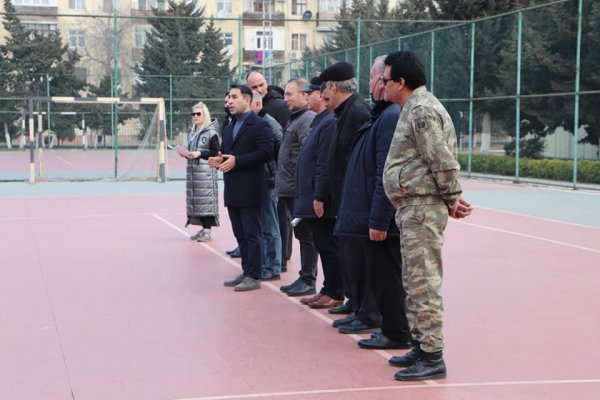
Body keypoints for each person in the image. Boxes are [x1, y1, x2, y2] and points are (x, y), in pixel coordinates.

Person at [382, 51, 473, 381]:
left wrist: (452, 196)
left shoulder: (420, 110)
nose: (382, 84)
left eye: (386, 80)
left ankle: (432, 354)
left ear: (400, 83)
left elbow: (441, 159)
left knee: (423, 282)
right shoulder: (413, 108)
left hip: (422, 208)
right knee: (413, 281)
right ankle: (421, 346)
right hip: (412, 207)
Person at [334, 56, 411, 348]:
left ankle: (396, 333)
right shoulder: (381, 115)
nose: (368, 83)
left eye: (372, 77)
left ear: (383, 81)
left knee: (388, 277)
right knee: (380, 276)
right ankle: (391, 330)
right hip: (367, 213)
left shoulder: (390, 116)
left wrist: (379, 218)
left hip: (379, 218)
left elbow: (385, 173)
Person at [319, 62, 375, 329]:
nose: (321, 96)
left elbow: (362, 160)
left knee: (360, 257)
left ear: (333, 87)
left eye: (323, 89)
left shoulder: (358, 112)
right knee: (349, 254)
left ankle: (366, 311)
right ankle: (355, 303)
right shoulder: (343, 113)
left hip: (356, 199)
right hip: (344, 198)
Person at [208, 84, 274, 292]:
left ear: (247, 100)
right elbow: (227, 152)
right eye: (229, 98)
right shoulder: (229, 126)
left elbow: (266, 153)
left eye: (235, 97)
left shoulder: (259, 125)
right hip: (233, 188)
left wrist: (238, 161)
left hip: (251, 189)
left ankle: (255, 275)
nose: (230, 102)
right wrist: (218, 159)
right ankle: (246, 270)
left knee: (253, 234)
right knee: (240, 234)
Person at [291, 77, 344, 309]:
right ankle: (329, 288)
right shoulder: (319, 121)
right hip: (311, 196)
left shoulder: (329, 122)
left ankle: (335, 291)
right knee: (322, 245)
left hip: (321, 200)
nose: (307, 96)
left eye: (310, 92)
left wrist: (319, 195)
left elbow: (324, 163)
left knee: (329, 246)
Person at [274, 78, 318, 297]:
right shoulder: (295, 119)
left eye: (289, 94)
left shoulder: (307, 119)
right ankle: (304, 277)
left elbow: (306, 158)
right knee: (301, 234)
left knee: (307, 235)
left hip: (298, 191)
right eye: (285, 95)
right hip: (289, 189)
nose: (285, 99)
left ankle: (309, 279)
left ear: (304, 95)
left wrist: (303, 190)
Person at [246, 71, 293, 271]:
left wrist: (276, 171)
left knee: (278, 220)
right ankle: (270, 259)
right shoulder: (259, 115)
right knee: (267, 221)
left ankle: (278, 261)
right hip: (264, 178)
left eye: (261, 84)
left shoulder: (277, 110)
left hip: (275, 178)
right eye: (254, 87)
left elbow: (280, 146)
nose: (259, 89)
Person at [250, 90, 284, 281]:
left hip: (270, 183)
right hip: (260, 181)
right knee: (263, 225)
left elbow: (280, 153)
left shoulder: (269, 125)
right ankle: (265, 264)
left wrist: (274, 176)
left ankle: (273, 267)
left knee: (271, 226)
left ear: (256, 105)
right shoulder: (258, 123)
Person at [185, 102, 220, 242]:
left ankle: (207, 231)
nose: (195, 116)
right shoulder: (192, 132)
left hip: (206, 173)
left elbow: (215, 152)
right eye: (193, 114)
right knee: (197, 202)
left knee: (206, 202)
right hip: (194, 172)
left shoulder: (211, 133)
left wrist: (199, 153)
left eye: (198, 114)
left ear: (204, 115)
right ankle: (202, 228)